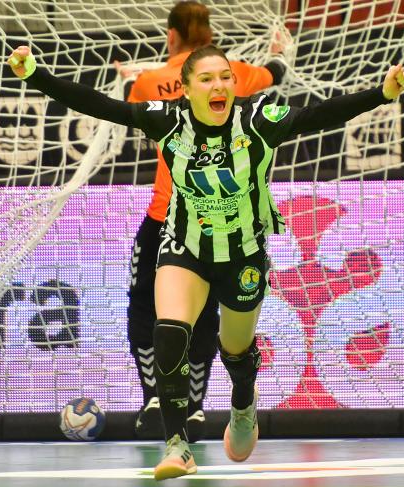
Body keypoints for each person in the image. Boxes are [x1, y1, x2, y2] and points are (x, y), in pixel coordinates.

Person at [7, 43, 404, 480]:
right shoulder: (166, 119)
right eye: (207, 79)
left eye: (225, 78)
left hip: (242, 254)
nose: (219, 85)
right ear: (187, 88)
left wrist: (382, 94)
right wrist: (35, 76)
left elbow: (318, 115)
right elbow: (101, 105)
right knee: (169, 331)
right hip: (185, 246)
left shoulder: (257, 119)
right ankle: (177, 446)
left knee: (236, 349)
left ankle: (243, 405)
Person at [118, 0, 288, 442]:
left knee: (145, 308)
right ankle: (195, 406)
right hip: (228, 219)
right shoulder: (237, 72)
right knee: (209, 314)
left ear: (171, 35)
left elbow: (135, 102)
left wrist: (132, 79)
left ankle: (155, 395)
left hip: (167, 214)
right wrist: (279, 54)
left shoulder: (151, 81)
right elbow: (274, 76)